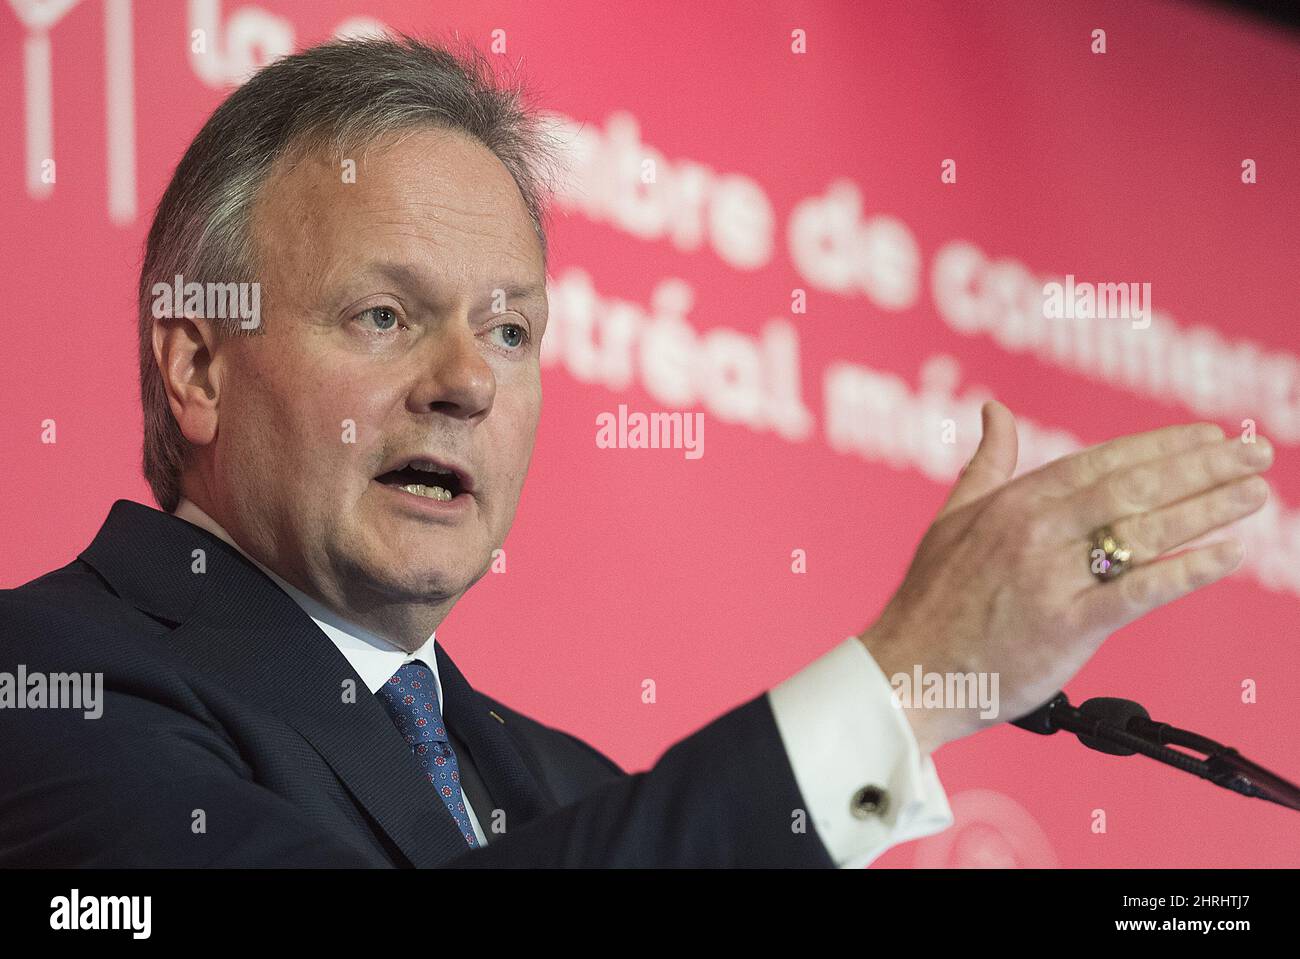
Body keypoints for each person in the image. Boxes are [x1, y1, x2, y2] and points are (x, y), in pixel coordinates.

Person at [0, 36, 1273, 867]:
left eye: (509, 329)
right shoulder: (47, 684)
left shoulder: (564, 785)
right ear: (199, 364)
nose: (464, 382)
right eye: (384, 315)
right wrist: (904, 682)